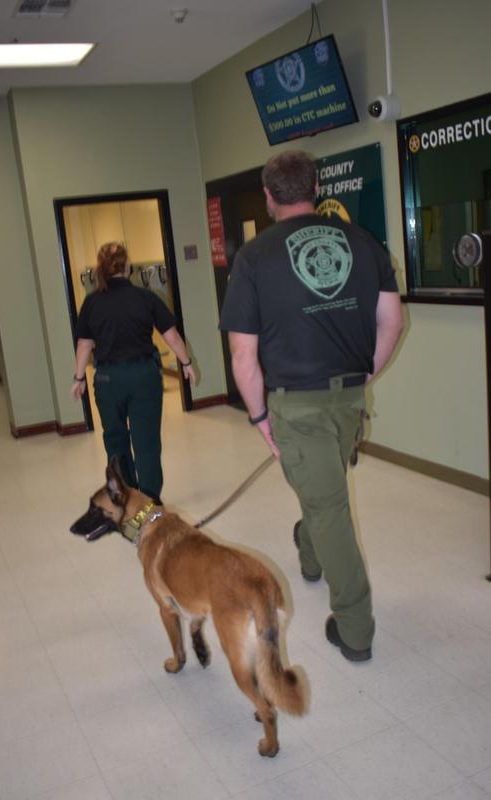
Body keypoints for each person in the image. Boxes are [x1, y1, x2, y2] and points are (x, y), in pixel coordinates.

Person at [220, 151, 403, 663]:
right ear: (316, 187)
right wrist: (366, 373)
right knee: (323, 493)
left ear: (269, 196)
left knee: (329, 509)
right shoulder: (363, 243)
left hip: (296, 407)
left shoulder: (254, 257)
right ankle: (309, 547)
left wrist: (258, 417)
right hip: (349, 401)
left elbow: (242, 354)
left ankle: (355, 629)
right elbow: (393, 322)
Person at [71, 242, 196, 504]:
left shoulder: (92, 303)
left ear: (101, 270)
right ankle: (149, 501)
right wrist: (186, 362)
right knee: (146, 442)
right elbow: (171, 336)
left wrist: (79, 378)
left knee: (115, 441)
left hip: (107, 379)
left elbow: (84, 345)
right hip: (143, 377)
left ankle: (124, 499)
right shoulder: (145, 297)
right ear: (127, 267)